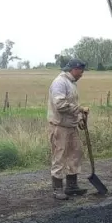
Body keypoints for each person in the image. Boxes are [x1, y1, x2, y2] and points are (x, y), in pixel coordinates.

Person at [47, 59, 90, 200]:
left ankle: (72, 186)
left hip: (71, 126)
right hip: (60, 126)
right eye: (81, 71)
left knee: (75, 154)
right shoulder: (60, 82)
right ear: (74, 69)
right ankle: (57, 189)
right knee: (59, 156)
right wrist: (79, 109)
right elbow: (60, 105)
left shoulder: (71, 83)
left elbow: (71, 104)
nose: (82, 74)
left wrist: (79, 118)